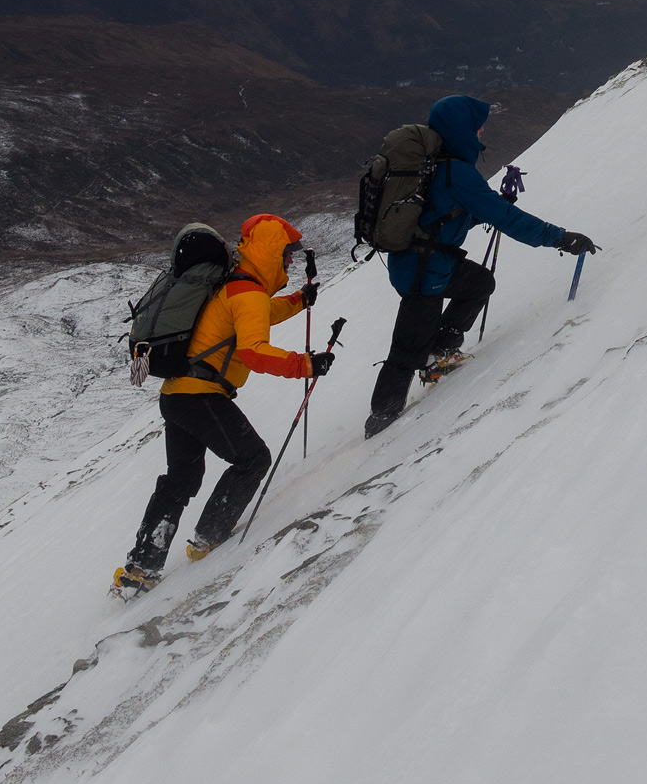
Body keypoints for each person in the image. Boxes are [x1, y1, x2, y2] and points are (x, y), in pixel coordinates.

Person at [116, 213, 327, 593]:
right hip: (201, 395)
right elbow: (255, 350)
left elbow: (257, 316)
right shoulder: (245, 291)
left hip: (177, 395)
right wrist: (306, 364)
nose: (291, 262)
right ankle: (208, 540)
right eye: (286, 253)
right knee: (253, 459)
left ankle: (140, 567)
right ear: (270, 251)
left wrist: (297, 301)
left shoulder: (237, 286)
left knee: (180, 478)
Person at [367, 94, 592, 436]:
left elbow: (441, 215)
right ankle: (381, 422)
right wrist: (560, 238)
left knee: (479, 283)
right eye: (477, 126)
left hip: (426, 264)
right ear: (461, 128)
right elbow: (508, 220)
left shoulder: (439, 166)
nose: (481, 132)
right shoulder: (454, 172)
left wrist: (484, 208)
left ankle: (440, 353)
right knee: (407, 349)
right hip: (422, 274)